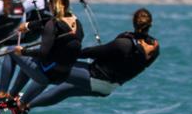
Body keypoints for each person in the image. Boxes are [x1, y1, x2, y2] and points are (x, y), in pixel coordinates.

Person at [28, 8, 159, 108]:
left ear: (133, 22)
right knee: (65, 89)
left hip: (96, 77)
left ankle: (21, 101)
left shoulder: (124, 43)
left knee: (53, 68)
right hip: (108, 88)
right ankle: (27, 106)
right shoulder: (154, 49)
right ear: (150, 24)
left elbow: (92, 52)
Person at [0, 0, 83, 114]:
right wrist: (29, 25)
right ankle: (15, 101)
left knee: (11, 50)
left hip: (46, 74)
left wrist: (23, 51)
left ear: (51, 4)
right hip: (62, 75)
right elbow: (49, 22)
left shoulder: (52, 25)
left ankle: (2, 95)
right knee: (32, 60)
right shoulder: (77, 23)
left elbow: (43, 53)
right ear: (67, 3)